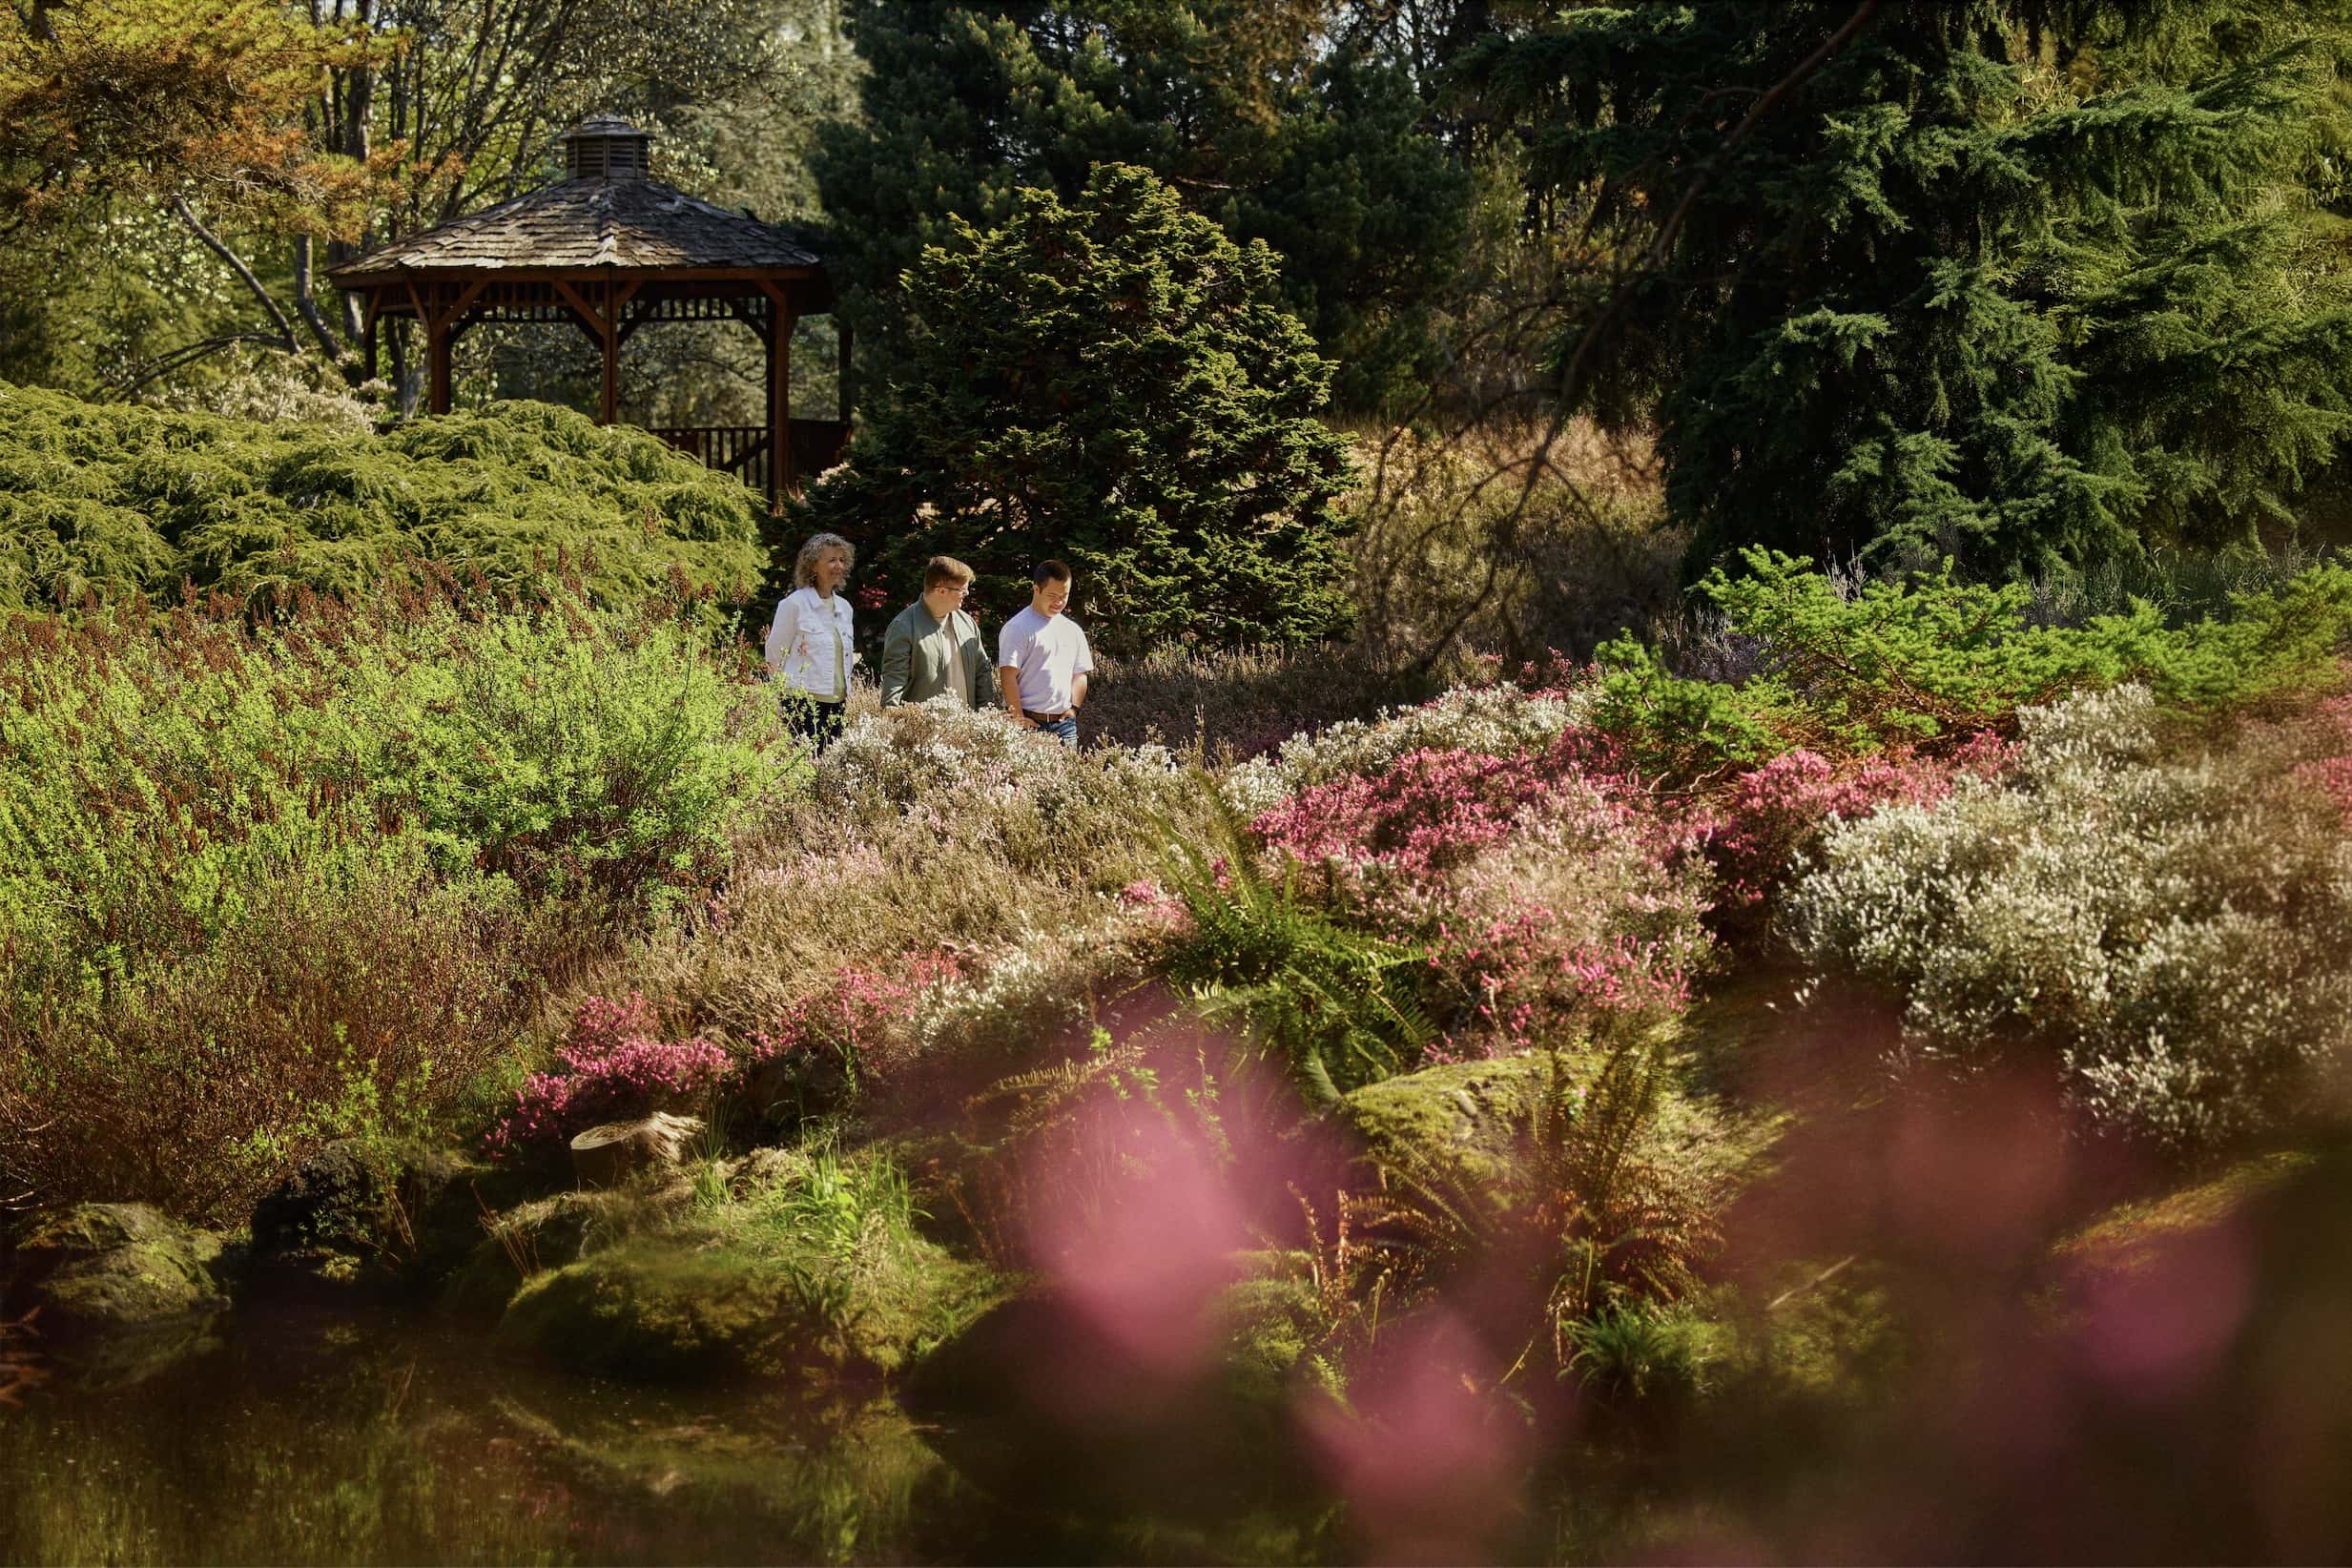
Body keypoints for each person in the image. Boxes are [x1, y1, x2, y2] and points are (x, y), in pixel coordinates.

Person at [765, 532, 857, 751]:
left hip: (837, 701)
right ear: (813, 565)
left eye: (842, 560)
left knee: (829, 766)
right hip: (802, 702)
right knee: (806, 763)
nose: (839, 566)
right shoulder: (794, 604)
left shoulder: (845, 608)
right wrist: (779, 697)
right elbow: (775, 653)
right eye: (832, 560)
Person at [879, 555, 997, 711]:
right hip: (925, 729)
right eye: (962, 590)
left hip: (968, 726)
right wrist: (892, 718)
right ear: (941, 590)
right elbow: (894, 680)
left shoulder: (967, 623)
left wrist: (987, 712)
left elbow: (982, 671)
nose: (967, 594)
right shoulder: (904, 626)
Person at [997, 558, 1094, 746]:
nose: (1059, 602)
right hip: (1029, 723)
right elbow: (1008, 676)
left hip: (1064, 725)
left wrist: (1074, 708)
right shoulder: (1017, 628)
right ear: (1036, 590)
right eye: (1052, 595)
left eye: (1064, 595)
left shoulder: (1072, 630)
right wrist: (1018, 719)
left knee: (1068, 775)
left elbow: (1080, 675)